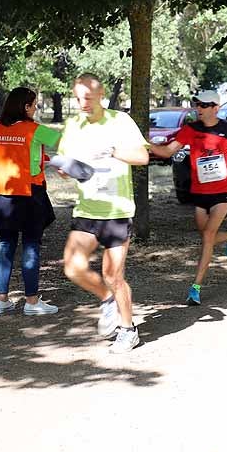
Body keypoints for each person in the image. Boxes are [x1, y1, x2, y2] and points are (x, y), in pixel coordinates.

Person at [59, 74, 150, 353]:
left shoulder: (120, 121)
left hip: (117, 209)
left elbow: (143, 158)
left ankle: (128, 329)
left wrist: (112, 151)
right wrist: (65, 169)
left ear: (101, 95)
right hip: (87, 208)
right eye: (77, 98)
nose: (82, 103)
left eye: (87, 97)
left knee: (113, 275)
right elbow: (66, 162)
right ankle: (107, 300)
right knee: (72, 267)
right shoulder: (74, 125)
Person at [149, 90, 227, 305]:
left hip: (224, 190)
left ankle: (195, 288)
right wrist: (143, 143)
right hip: (200, 192)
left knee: (207, 236)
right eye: (197, 105)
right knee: (207, 236)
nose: (199, 109)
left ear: (216, 107)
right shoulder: (191, 129)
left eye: (204, 105)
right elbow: (167, 152)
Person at [0, 87, 61, 316]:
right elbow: (61, 140)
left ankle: (2, 300)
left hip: (1, 195)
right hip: (29, 193)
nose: (36, 109)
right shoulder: (34, 130)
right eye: (34, 105)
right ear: (25, 107)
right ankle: (31, 302)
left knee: (6, 244)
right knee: (31, 245)